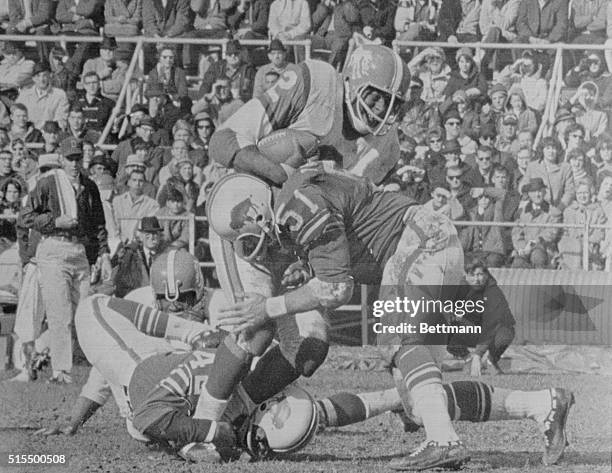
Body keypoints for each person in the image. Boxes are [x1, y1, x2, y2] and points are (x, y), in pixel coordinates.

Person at [206, 165, 470, 470]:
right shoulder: (295, 199)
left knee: (398, 338)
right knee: (417, 404)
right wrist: (309, 270)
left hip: (422, 239)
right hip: (428, 242)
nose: (252, 246)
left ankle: (444, 440)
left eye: (247, 235)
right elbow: (346, 249)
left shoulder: (297, 205)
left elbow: (336, 290)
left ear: (257, 210)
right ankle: (535, 407)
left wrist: (267, 307)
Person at [18, 137, 111, 383]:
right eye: (70, 158)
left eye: (78, 158)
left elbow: (99, 224)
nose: (74, 163)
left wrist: (104, 253)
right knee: (60, 314)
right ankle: (61, 371)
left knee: (83, 314)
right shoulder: (48, 183)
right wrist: (53, 222)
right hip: (53, 248)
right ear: (61, 159)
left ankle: (39, 350)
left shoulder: (89, 187)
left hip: (78, 250)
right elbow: (25, 217)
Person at [511, 177, 562, 269]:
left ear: (544, 192)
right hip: (524, 249)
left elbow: (550, 234)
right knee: (518, 262)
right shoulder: (522, 212)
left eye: (540, 191)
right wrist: (521, 248)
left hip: (545, 250)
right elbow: (516, 233)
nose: (537, 195)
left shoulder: (554, 212)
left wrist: (532, 245)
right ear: (529, 194)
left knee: (537, 256)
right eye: (533, 192)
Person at [112, 216, 166, 296]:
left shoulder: (166, 255)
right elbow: (120, 282)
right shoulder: (130, 255)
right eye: (147, 234)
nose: (151, 238)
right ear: (140, 237)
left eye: (154, 234)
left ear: (159, 236)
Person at [16, 62, 69, 130]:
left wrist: (46, 130)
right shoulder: (24, 95)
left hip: (50, 133)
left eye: (45, 75)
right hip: (28, 133)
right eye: (38, 76)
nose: (41, 79)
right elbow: (17, 117)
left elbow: (61, 120)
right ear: (33, 78)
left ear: (50, 76)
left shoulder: (60, 94)